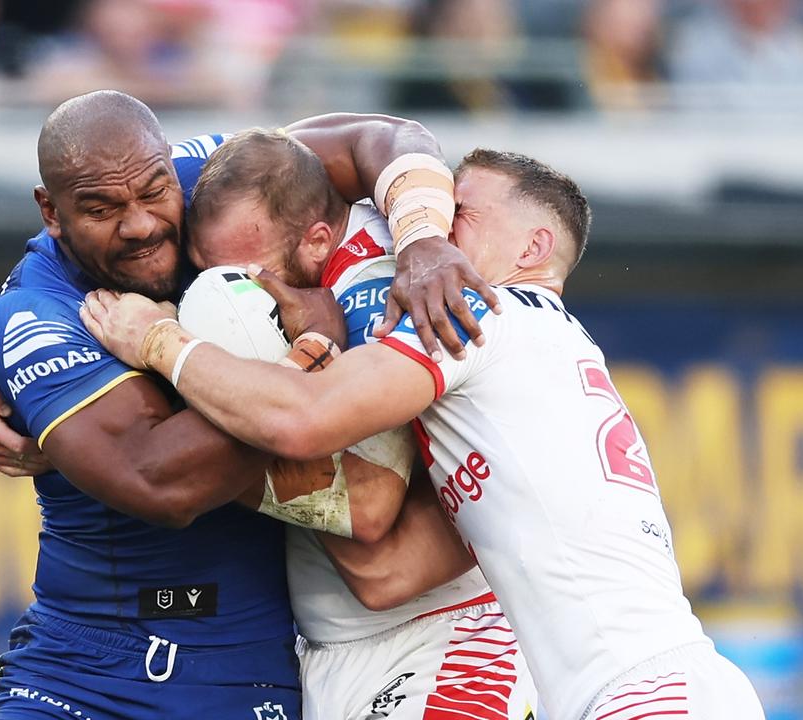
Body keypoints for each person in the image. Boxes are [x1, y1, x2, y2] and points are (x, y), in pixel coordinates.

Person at [81, 148, 768, 720]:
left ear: (534, 246)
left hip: (646, 696)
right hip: (665, 684)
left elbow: (304, 417)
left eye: (459, 211)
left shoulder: (478, 312)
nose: (426, 229)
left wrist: (159, 342)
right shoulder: (556, 347)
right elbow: (389, 569)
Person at [0, 89, 494, 719]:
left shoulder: (205, 179)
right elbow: (161, 483)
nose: (139, 223)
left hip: (241, 668)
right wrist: (309, 358)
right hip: (80, 669)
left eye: (151, 191)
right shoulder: (35, 315)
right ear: (50, 212)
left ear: (170, 164)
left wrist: (421, 239)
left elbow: (380, 136)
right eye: (100, 208)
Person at [174, 127, 540, 719]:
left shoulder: (378, 289)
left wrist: (169, 421)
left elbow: (366, 507)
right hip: (333, 653)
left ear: (318, 239)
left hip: (442, 638)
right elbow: (382, 134)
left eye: (245, 274)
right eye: (208, 272)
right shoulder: (295, 226)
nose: (227, 292)